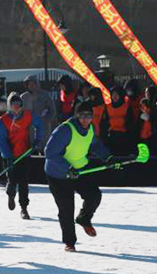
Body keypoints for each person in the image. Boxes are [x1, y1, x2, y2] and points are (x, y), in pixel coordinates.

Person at [44, 102, 113, 252]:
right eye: (82, 116)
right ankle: (70, 242)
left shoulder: (90, 128)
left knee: (94, 196)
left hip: (80, 170)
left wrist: (108, 157)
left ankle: (84, 219)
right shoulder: (65, 130)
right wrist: (67, 168)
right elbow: (49, 152)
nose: (85, 119)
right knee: (66, 209)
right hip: (58, 174)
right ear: (76, 115)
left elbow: (94, 144)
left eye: (89, 116)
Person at [0, 92, 44, 220]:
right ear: (9, 106)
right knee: (12, 181)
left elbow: (40, 124)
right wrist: (8, 155)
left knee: (23, 182)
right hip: (10, 156)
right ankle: (11, 195)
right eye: (13, 104)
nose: (16, 107)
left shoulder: (28, 115)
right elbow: (1, 140)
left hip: (25, 154)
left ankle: (24, 208)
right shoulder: (3, 120)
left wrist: (38, 140)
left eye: (18, 104)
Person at [21, 75, 56, 140]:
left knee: (43, 143)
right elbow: (19, 112)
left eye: (33, 84)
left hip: (43, 128)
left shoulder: (45, 95)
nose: (31, 86)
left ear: (37, 84)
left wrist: (45, 120)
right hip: (29, 129)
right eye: (29, 84)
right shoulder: (24, 97)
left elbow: (52, 110)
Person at [106, 86, 134, 155]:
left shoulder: (127, 106)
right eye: (113, 94)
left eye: (116, 94)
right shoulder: (107, 107)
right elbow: (105, 122)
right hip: (111, 135)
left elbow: (130, 123)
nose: (114, 96)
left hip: (123, 136)